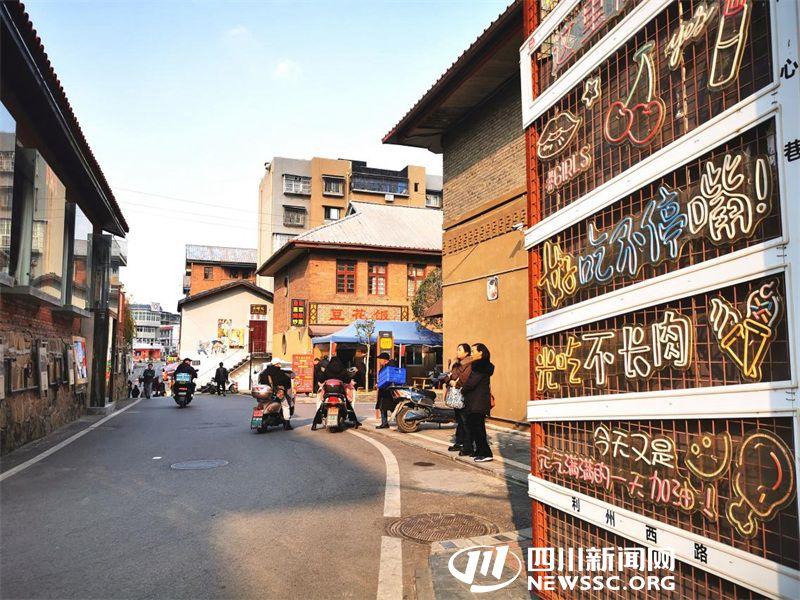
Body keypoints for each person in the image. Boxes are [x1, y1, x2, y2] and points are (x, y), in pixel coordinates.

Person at [460, 343, 495, 462]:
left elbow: (471, 383)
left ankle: (486, 453)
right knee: (475, 427)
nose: (472, 353)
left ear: (481, 352)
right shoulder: (478, 365)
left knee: (478, 428)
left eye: (474, 351)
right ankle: (480, 451)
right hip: (475, 401)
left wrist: (463, 390)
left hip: (478, 402)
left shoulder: (481, 366)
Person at [312, 356, 358, 429]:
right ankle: (354, 420)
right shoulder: (342, 369)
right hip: (339, 392)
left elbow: (322, 379)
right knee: (348, 404)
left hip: (328, 391)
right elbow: (347, 380)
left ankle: (315, 424)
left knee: (321, 405)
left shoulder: (328, 369)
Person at [445, 343, 474, 456]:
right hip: (456, 396)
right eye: (457, 349)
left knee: (466, 421)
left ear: (467, 352)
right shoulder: (457, 364)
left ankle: (467, 446)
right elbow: (447, 376)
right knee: (460, 421)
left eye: (460, 350)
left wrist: (454, 382)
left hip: (465, 396)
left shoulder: (470, 364)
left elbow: (464, 379)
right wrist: (449, 380)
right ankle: (459, 442)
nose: (457, 352)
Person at [260, 357, 294, 430]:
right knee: (285, 405)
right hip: (276, 392)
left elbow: (261, 381)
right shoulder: (279, 372)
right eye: (279, 363)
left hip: (267, 393)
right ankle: (287, 424)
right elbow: (285, 381)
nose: (280, 364)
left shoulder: (264, 372)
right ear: (276, 364)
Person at [375, 352, 398, 429]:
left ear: (384, 360)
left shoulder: (390, 367)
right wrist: (378, 383)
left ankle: (401, 420)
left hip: (388, 390)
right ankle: (384, 423)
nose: (379, 361)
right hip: (383, 389)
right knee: (382, 407)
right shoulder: (384, 367)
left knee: (392, 407)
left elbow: (391, 378)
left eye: (380, 359)